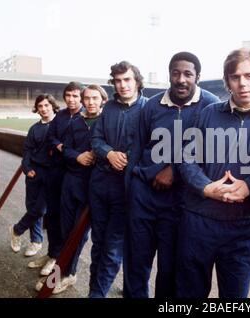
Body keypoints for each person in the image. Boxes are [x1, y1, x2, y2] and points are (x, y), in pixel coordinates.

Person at [176, 48, 250, 298]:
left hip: (241, 226)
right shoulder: (208, 113)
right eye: (235, 77)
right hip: (197, 221)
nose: (242, 83)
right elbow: (186, 158)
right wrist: (205, 187)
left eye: (249, 75)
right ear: (227, 82)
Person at [126, 52, 220, 298]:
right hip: (143, 196)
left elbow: (208, 150)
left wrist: (174, 169)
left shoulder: (211, 104)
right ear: (169, 75)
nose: (181, 79)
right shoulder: (152, 105)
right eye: (175, 73)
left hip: (180, 201)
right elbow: (137, 148)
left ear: (197, 76)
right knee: (136, 262)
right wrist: (130, 191)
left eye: (188, 74)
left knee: (170, 268)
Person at [36, 85, 108, 294]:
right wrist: (77, 156)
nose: (91, 102)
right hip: (70, 180)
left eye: (95, 98)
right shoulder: (75, 121)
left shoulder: (106, 121)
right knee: (66, 230)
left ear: (103, 100)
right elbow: (63, 148)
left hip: (91, 184)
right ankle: (63, 271)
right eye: (87, 98)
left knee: (79, 233)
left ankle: (67, 274)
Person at [89, 61, 147, 298]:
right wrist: (109, 153)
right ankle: (95, 288)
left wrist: (127, 158)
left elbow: (150, 146)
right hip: (100, 185)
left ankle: (97, 294)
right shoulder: (108, 108)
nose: (122, 85)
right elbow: (96, 140)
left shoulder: (148, 108)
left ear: (137, 81)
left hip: (128, 188)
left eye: (127, 80)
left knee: (113, 248)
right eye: (118, 81)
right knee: (98, 244)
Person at [28, 82, 84, 279]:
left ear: (82, 97)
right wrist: (61, 146)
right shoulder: (60, 116)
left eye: (75, 96)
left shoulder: (85, 116)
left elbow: (80, 147)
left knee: (65, 221)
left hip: (72, 175)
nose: (71, 99)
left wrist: (63, 148)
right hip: (54, 172)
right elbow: (52, 138)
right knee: (51, 217)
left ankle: (59, 259)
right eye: (68, 95)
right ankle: (51, 254)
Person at [10, 94, 59, 256]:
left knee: (39, 209)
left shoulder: (61, 124)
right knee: (32, 207)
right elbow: (27, 151)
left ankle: (17, 230)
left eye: (46, 105)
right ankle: (36, 241)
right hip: (33, 173)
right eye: (40, 106)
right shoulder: (34, 128)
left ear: (52, 105)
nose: (44, 109)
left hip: (51, 174)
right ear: (37, 109)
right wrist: (27, 168)